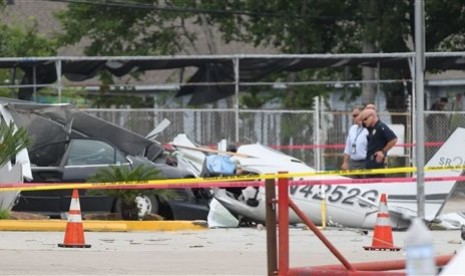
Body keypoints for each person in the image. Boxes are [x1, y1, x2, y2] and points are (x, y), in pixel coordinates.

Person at [361, 108, 398, 177]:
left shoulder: (381, 127)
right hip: (370, 163)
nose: (364, 122)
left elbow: (393, 139)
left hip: (377, 164)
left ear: (372, 116)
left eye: (365, 119)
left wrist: (382, 151)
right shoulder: (371, 128)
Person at [341, 107, 368, 172]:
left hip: (365, 162)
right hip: (353, 163)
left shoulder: (368, 129)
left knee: (365, 181)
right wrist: (345, 162)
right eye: (353, 116)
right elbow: (348, 148)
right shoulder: (352, 129)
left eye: (356, 115)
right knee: (353, 181)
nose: (354, 118)